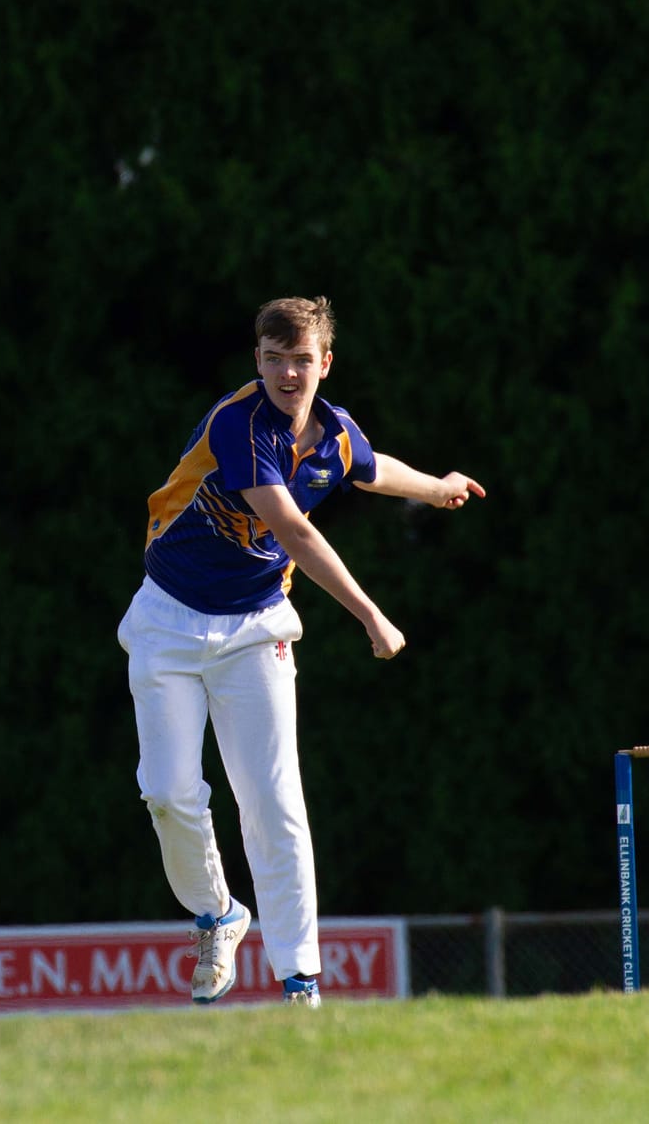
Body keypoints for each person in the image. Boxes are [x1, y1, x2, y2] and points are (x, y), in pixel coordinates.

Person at [120, 295, 482, 1008]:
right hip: (168, 619)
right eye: (275, 357)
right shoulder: (239, 423)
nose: (288, 371)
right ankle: (219, 912)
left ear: (325, 363)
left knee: (276, 801)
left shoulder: (335, 434)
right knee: (167, 791)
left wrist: (437, 486)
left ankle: (299, 980)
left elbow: (372, 469)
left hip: (255, 627)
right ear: (257, 361)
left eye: (302, 358)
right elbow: (294, 529)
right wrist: (372, 615)